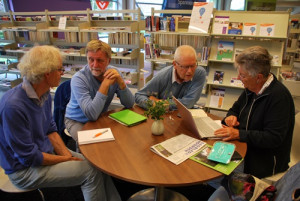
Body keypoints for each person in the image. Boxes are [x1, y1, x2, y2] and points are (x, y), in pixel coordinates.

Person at [0, 45, 121, 201]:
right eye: (60, 69)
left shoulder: (43, 94)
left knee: (97, 164)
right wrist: (65, 159)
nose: (62, 73)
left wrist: (65, 153)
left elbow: (50, 130)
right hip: (24, 170)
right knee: (90, 172)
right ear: (47, 73)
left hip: (45, 153)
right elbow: (29, 157)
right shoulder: (13, 106)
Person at [214, 46, 295, 179]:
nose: (238, 78)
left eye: (243, 75)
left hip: (262, 162)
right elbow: (235, 108)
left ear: (258, 77)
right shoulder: (251, 88)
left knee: (218, 175)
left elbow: (273, 138)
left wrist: (239, 134)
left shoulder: (279, 98)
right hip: (244, 148)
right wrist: (231, 116)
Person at [65, 39, 134, 141]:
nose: (95, 65)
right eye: (91, 60)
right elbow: (91, 114)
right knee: (90, 146)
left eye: (100, 60)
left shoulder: (114, 72)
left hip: (99, 116)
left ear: (108, 61)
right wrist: (105, 84)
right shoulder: (79, 79)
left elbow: (129, 104)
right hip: (77, 121)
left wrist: (121, 82)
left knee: (121, 138)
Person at [135, 45, 206, 110]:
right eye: (185, 67)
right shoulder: (162, 76)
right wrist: (153, 104)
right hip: (165, 116)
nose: (190, 71)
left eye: (193, 65)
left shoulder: (199, 73)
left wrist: (161, 103)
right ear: (175, 64)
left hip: (185, 114)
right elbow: (139, 95)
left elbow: (190, 101)